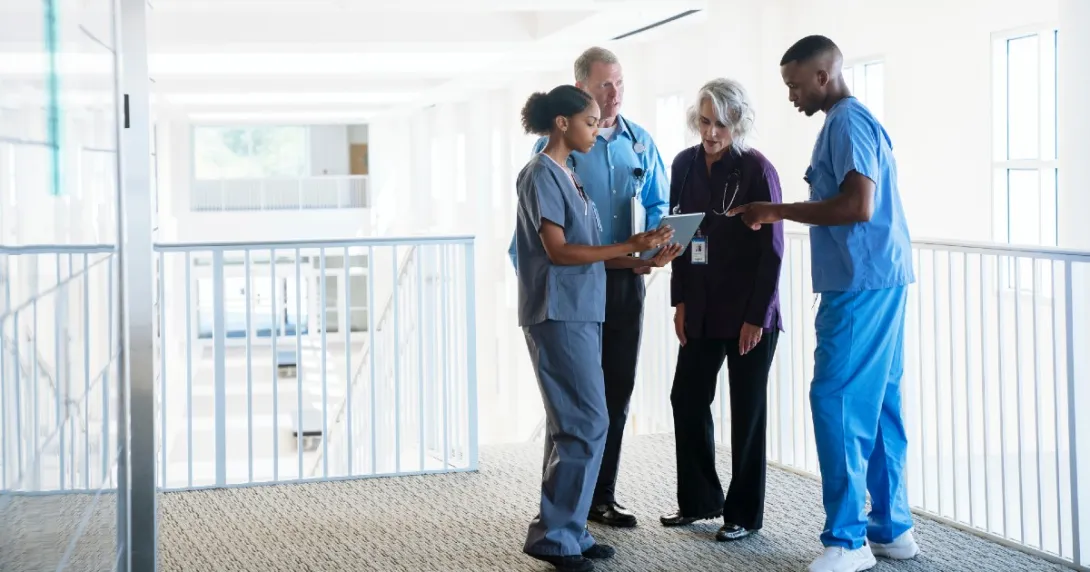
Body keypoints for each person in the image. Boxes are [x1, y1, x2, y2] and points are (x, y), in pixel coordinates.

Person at [728, 35, 920, 572]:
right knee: (879, 403)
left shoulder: (847, 122)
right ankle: (892, 529)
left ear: (822, 76)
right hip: (879, 277)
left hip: (861, 284)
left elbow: (859, 205)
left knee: (834, 400)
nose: (790, 95)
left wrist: (776, 210)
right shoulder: (846, 123)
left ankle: (848, 539)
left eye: (793, 84)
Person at [513, 84, 680, 572]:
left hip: (583, 309)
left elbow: (589, 255)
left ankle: (569, 528)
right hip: (557, 312)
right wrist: (624, 246)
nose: (596, 129)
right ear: (562, 123)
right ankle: (555, 536)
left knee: (581, 422)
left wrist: (641, 257)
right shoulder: (540, 174)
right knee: (586, 421)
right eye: (589, 122)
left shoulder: (569, 175)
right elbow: (560, 252)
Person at [657, 78, 784, 543]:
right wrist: (680, 302)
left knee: (747, 413)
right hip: (703, 307)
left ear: (739, 123)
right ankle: (699, 501)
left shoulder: (757, 169)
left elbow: (772, 252)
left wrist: (757, 316)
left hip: (749, 312)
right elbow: (679, 238)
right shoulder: (684, 165)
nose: (711, 133)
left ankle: (744, 515)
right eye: (706, 122)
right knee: (686, 399)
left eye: (722, 124)